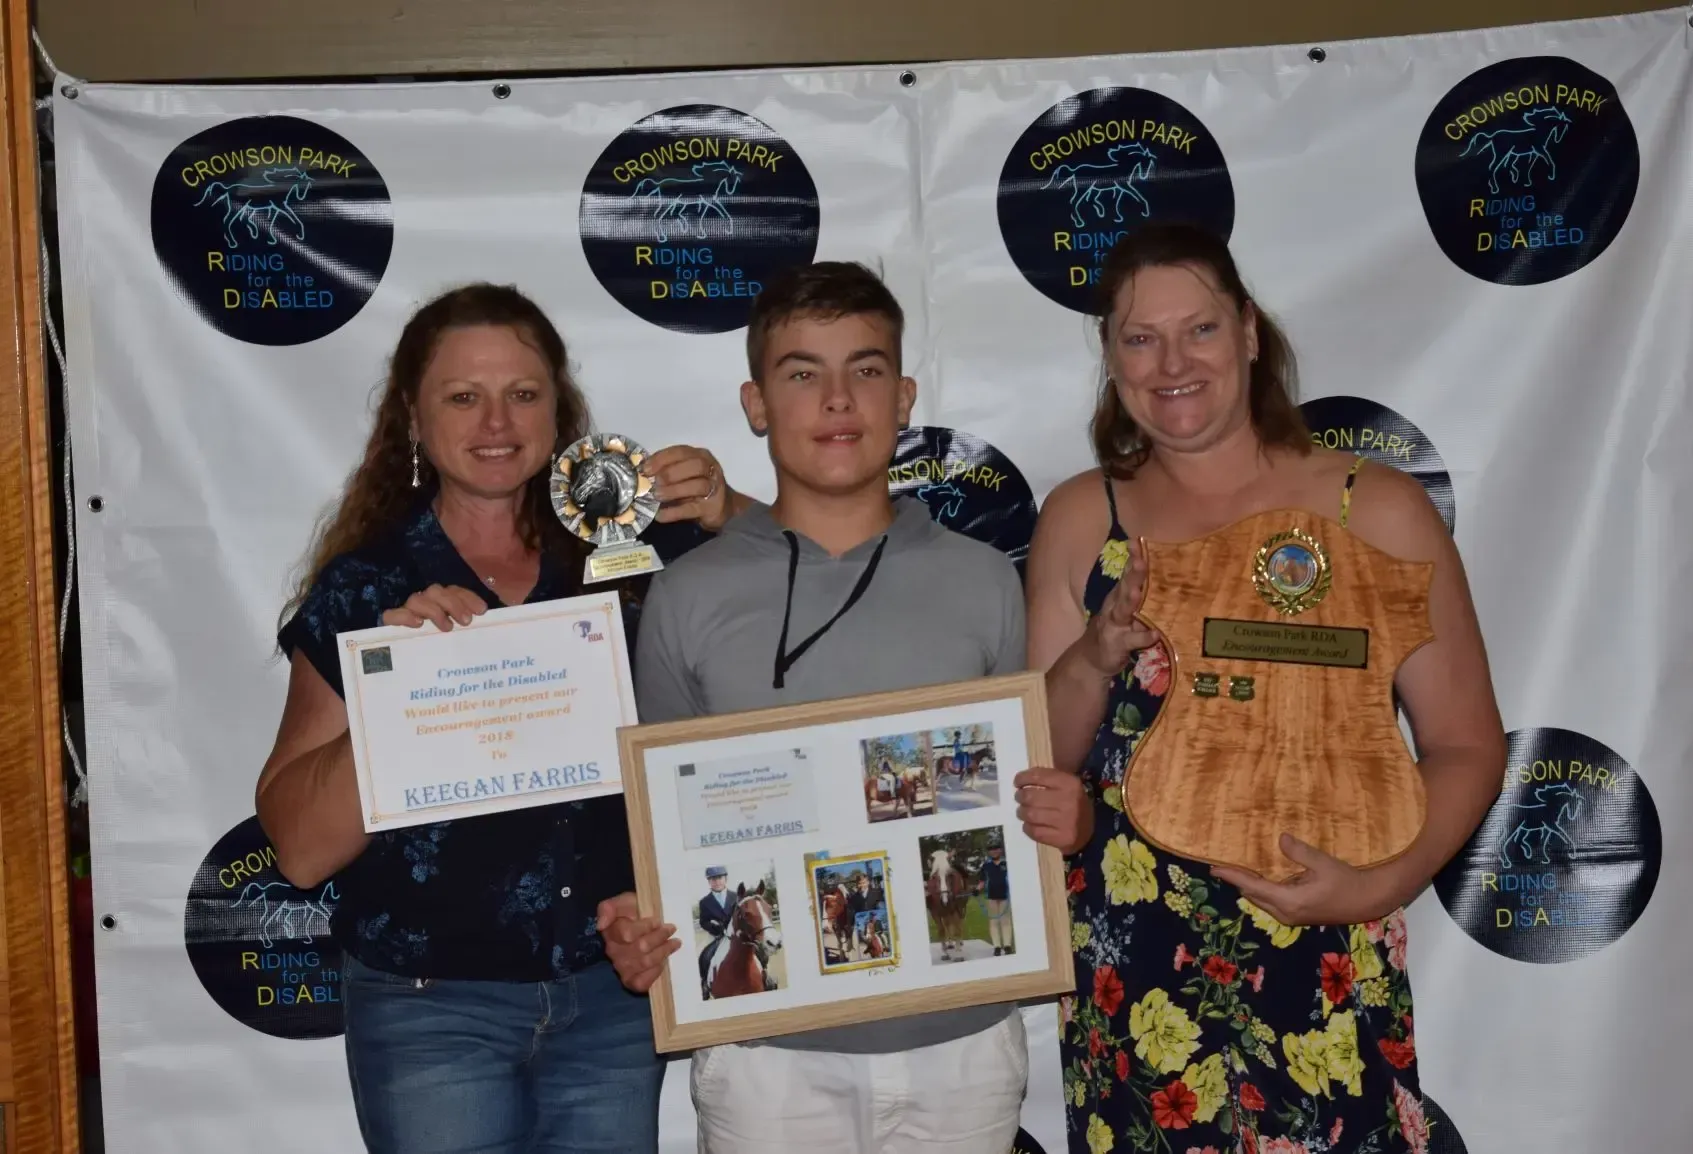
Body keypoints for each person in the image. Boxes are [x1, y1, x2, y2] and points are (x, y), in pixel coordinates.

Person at [1025, 223, 1505, 1152]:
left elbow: (1466, 745)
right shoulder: (1085, 517)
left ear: (1248, 332)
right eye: (1139, 337)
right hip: (1135, 971)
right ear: (1111, 360)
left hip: (1328, 954)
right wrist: (1095, 652)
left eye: (1198, 329)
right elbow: (1044, 761)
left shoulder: (1377, 509)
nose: (1173, 362)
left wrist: (1377, 884)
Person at [596, 260, 1093, 1153]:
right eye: (801, 373)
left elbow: (1017, 793)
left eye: (865, 370)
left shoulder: (982, 579)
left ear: (903, 397)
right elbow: (658, 835)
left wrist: (1060, 812)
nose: (837, 400)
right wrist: (641, 921)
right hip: (763, 1054)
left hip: (963, 1040)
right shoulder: (686, 595)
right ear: (755, 404)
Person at [256, 283, 753, 1154]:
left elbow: (821, 576)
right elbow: (299, 850)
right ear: (413, 417)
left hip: (614, 995)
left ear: (560, 412)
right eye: (463, 396)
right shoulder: (368, 589)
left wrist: (729, 508)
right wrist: (395, 684)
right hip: (428, 1005)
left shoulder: (631, 552)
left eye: (523, 393)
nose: (496, 420)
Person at [978, 843, 1012, 956]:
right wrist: (977, 890)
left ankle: (1007, 945)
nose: (994, 851)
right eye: (991, 849)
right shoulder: (986, 865)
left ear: (1001, 850)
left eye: (996, 848)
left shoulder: (1006, 863)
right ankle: (997, 946)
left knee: (1005, 921)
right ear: (989, 852)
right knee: (993, 922)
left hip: (1005, 896)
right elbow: (982, 881)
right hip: (991, 896)